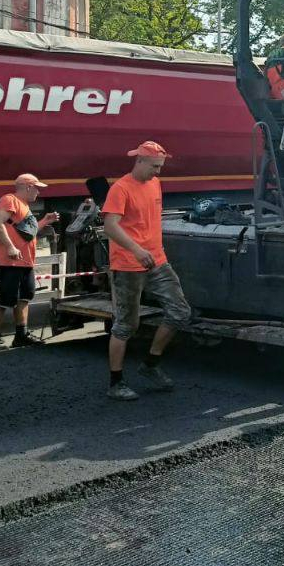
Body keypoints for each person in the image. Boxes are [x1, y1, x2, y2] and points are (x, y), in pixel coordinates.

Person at [101, 140, 193, 401]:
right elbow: (110, 226)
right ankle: (115, 383)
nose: (158, 172)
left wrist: (150, 251)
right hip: (129, 265)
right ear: (139, 161)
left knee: (180, 311)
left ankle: (150, 365)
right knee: (127, 324)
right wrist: (136, 249)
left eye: (160, 166)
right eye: (154, 166)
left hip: (157, 261)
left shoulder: (154, 183)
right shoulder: (120, 189)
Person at [0, 174, 59, 351]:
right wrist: (10, 247)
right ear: (27, 187)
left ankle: (21, 335)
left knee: (25, 296)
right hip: (10, 262)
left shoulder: (24, 206)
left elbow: (26, 233)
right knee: (5, 298)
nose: (38, 192)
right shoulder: (9, 200)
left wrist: (44, 221)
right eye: (36, 188)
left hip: (25, 263)